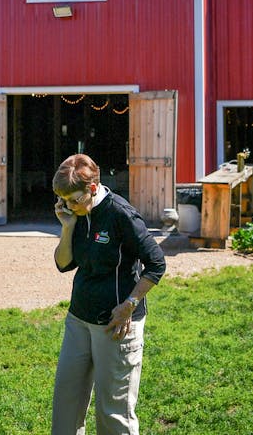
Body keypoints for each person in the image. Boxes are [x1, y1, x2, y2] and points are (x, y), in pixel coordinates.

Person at [51, 153, 166, 435]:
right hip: (78, 320)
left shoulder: (120, 214)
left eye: (73, 200)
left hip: (116, 325)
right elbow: (63, 263)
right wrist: (67, 227)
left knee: (112, 415)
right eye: (63, 200)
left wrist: (129, 304)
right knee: (65, 407)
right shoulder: (78, 213)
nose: (68, 206)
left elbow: (156, 264)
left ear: (92, 188)